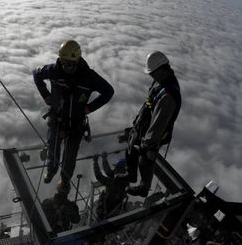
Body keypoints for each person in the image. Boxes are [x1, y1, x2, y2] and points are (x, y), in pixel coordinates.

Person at [33, 40, 114, 193]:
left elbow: (109, 92)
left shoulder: (89, 77)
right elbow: (36, 74)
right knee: (53, 148)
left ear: (77, 61)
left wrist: (90, 108)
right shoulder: (54, 70)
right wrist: (45, 95)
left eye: (71, 65)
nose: (67, 68)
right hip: (57, 120)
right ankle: (51, 170)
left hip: (76, 124)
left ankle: (64, 180)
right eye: (64, 64)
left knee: (70, 158)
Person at [123, 51, 181, 197]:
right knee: (130, 148)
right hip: (144, 125)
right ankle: (131, 176)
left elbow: (158, 125)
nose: (151, 76)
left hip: (152, 133)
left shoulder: (168, 97)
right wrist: (137, 124)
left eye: (153, 73)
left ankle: (143, 188)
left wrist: (147, 145)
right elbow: (148, 105)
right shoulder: (161, 81)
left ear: (162, 69)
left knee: (145, 160)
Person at [93, 152, 128, 219]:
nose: (114, 169)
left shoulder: (112, 182)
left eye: (116, 167)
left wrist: (95, 162)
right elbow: (108, 172)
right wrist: (104, 159)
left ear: (118, 169)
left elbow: (99, 176)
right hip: (116, 207)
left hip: (107, 212)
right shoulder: (125, 179)